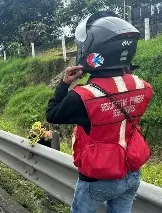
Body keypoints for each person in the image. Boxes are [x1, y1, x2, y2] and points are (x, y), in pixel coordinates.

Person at [46, 11, 153, 213]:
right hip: (131, 173)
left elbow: (52, 114)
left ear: (93, 49)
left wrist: (64, 84)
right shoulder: (143, 86)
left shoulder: (83, 96)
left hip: (98, 177)